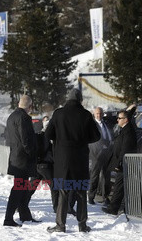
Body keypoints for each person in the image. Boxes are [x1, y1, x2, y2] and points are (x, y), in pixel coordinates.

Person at [45, 88, 100, 233]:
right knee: (81, 193)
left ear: (67, 99)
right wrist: (82, 139)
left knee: (63, 192)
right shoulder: (86, 115)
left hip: (63, 160)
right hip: (80, 159)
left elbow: (48, 133)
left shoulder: (58, 113)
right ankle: (82, 225)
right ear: (80, 100)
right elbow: (96, 136)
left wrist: (60, 139)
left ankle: (60, 225)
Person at [3, 95, 38, 227]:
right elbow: (26, 139)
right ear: (30, 106)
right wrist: (32, 153)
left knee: (22, 188)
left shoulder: (12, 116)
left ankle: (25, 216)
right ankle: (8, 218)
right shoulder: (24, 118)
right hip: (23, 160)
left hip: (16, 158)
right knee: (18, 189)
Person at [102, 106, 137, 216]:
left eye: (119, 118)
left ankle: (114, 209)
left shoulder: (128, 131)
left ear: (125, 120)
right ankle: (115, 207)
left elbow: (125, 148)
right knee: (119, 186)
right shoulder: (125, 129)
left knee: (119, 186)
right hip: (122, 162)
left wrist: (120, 163)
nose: (117, 120)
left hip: (125, 163)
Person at [88, 107, 114, 205]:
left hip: (107, 153)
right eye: (97, 113)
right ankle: (91, 196)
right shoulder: (92, 125)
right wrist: (101, 146)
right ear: (94, 114)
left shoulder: (106, 123)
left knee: (106, 177)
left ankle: (106, 196)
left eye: (100, 113)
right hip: (96, 154)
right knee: (95, 176)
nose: (99, 115)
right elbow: (92, 139)